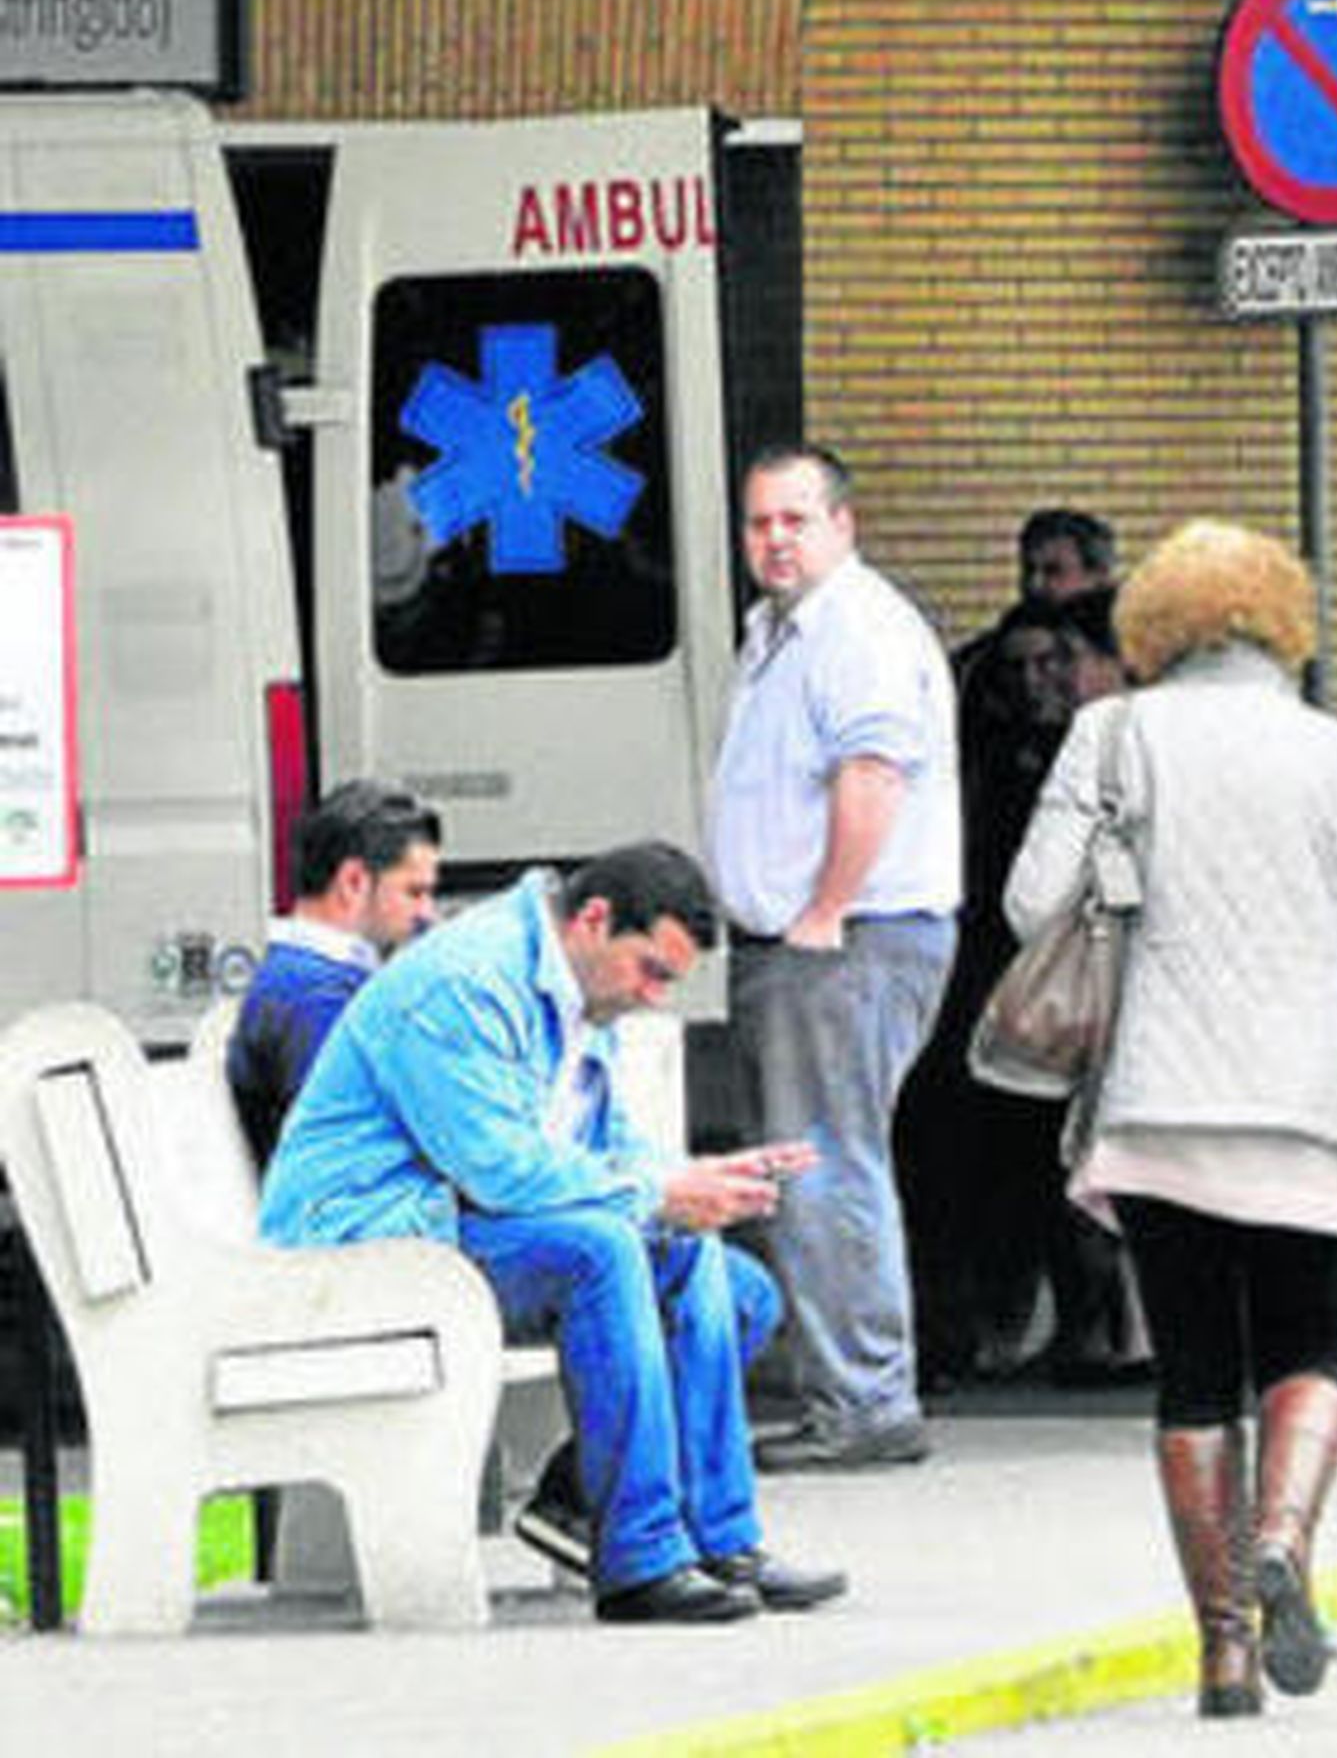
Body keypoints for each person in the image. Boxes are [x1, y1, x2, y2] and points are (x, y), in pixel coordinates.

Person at [1004, 520, 1337, 1720]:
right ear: (1283, 623)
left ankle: (1222, 1655)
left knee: (1193, 1371)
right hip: (1311, 1113)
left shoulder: (1110, 734)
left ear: (1151, 626)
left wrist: (1124, 851)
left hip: (1157, 1109)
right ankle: (1287, 1547)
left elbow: (1029, 901)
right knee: (1310, 1349)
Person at [260, 839, 846, 1625]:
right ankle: (641, 1559)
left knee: (736, 1290)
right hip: (366, 1245)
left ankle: (688, 1529)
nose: (653, 996)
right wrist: (662, 1192)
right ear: (595, 920)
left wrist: (703, 1176)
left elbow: (598, 1148)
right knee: (603, 1252)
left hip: (449, 1228)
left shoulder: (574, 989)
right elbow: (500, 1171)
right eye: (652, 971)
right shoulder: (468, 982)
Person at [708, 443, 961, 1471]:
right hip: (810, 941)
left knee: (824, 1165)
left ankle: (863, 1401)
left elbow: (872, 774)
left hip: (848, 941)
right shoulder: (775, 630)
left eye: (795, 520)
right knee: (814, 1162)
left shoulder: (853, 629)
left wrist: (822, 909)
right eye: (760, 522)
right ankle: (850, 1391)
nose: (774, 539)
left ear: (843, 526)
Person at [899, 589, 1142, 1385]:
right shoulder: (991, 747)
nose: (1044, 680)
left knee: (1073, 1161)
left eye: (1059, 660)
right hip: (1000, 981)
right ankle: (1023, 1326)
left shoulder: (1105, 744)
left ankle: (1101, 1327)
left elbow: (1035, 892)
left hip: (1067, 973)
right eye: (1026, 666)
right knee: (1005, 1168)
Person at [226, 778, 442, 1169]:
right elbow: (353, 1157)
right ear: (354, 882)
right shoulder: (315, 997)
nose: (428, 914)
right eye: (414, 892)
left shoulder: (303, 979)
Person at [952, 506, 1118, 719]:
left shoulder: (1135, 658)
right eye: (1028, 570)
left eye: (1053, 571)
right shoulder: (982, 662)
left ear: (1098, 576)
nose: (1034, 584)